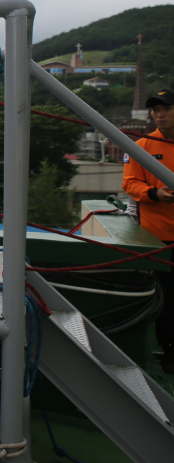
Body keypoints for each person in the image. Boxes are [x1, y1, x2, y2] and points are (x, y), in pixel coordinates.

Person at [122, 88, 174, 371]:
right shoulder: (141, 146)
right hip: (158, 238)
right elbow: (130, 183)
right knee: (165, 300)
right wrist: (155, 193)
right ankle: (169, 353)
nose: (159, 114)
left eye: (165, 108)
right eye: (155, 110)